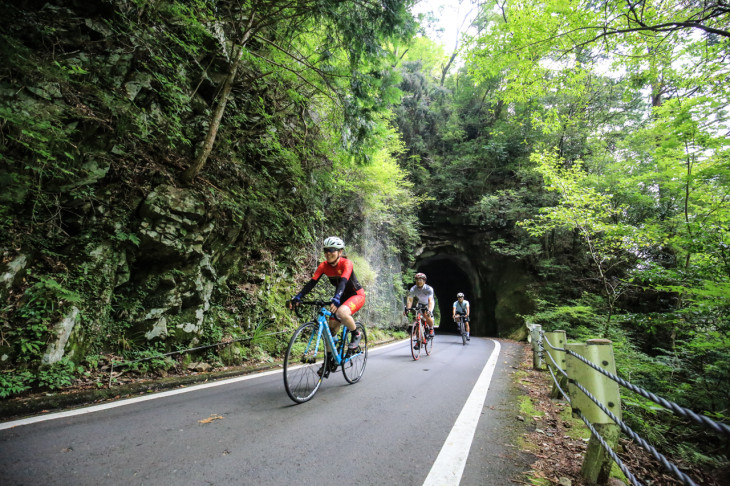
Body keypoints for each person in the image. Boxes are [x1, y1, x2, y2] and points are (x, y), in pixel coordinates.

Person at [289, 237, 365, 355]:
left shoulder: (346, 263)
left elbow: (343, 282)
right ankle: (329, 362)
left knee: (341, 313)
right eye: (326, 250)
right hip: (341, 297)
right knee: (331, 331)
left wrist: (336, 299)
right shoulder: (323, 266)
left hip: (356, 295)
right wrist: (298, 296)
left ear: (340, 252)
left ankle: (356, 334)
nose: (328, 253)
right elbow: (311, 283)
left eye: (332, 250)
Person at [404, 272, 435, 344]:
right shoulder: (413, 289)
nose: (418, 281)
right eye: (417, 280)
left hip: (428, 303)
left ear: (424, 281)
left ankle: (431, 329)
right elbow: (410, 300)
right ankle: (419, 340)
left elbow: (430, 300)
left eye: (420, 280)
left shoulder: (429, 288)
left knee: (426, 315)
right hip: (420, 303)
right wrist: (408, 309)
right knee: (418, 321)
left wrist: (429, 310)